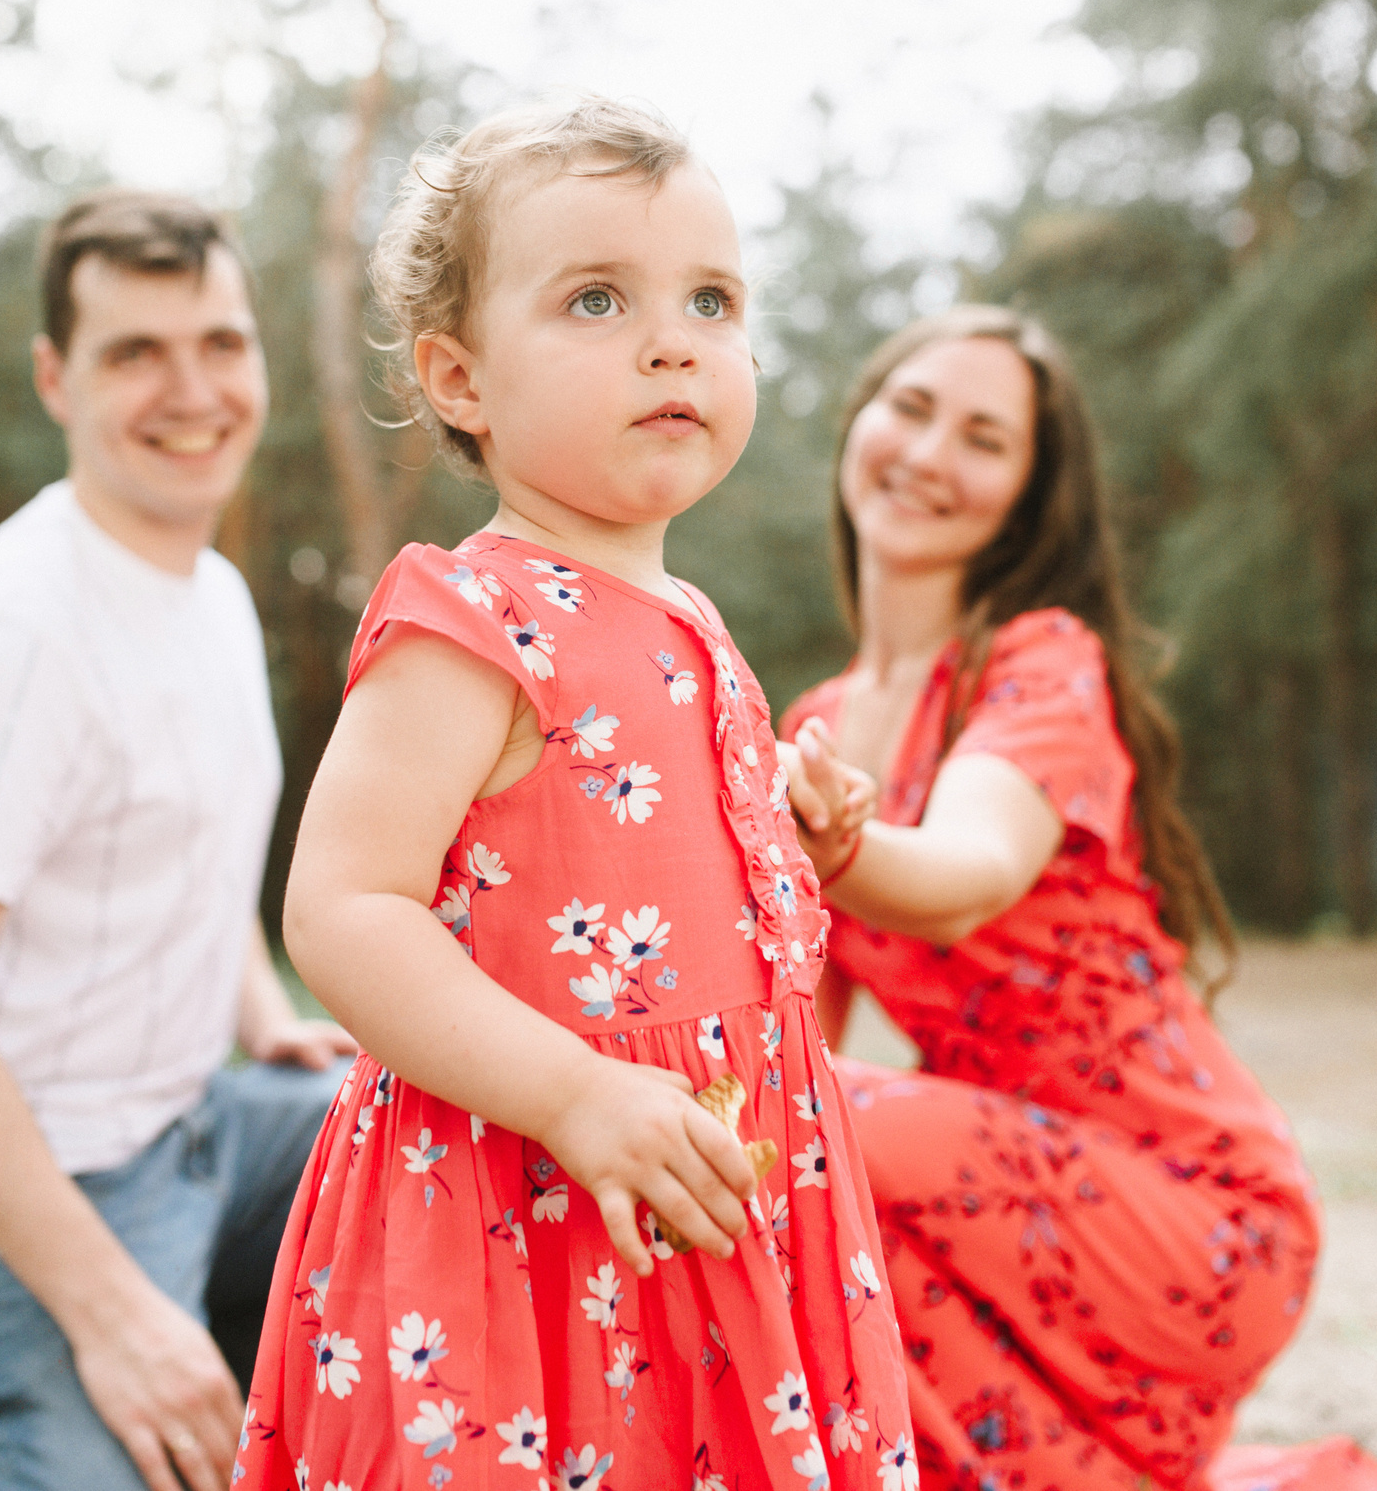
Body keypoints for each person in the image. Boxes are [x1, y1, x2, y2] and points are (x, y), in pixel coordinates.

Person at [234, 96, 914, 1485]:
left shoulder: (694, 618)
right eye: (596, 299)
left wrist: (792, 831)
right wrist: (574, 1094)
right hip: (526, 1208)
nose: (673, 341)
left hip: (712, 1183)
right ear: (460, 379)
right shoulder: (467, 621)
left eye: (711, 300)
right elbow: (344, 907)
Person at [777, 306, 1377, 1491]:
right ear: (858, 418)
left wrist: (831, 844)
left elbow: (963, 880)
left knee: (794, 1121)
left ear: (1026, 497)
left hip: (1200, 1210)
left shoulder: (1039, 660)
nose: (929, 453)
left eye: (983, 438)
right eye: (910, 407)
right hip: (998, 1208)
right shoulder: (815, 724)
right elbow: (790, 1032)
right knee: (772, 1154)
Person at [0, 190, 355, 1491]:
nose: (194, 391)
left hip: (192, 1120)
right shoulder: (16, 631)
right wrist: (115, 1317)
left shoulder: (212, 591)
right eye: (136, 353)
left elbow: (182, 845)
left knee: (432, 1148)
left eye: (221, 343)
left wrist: (261, 1016)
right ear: (56, 378)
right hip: (13, 1190)